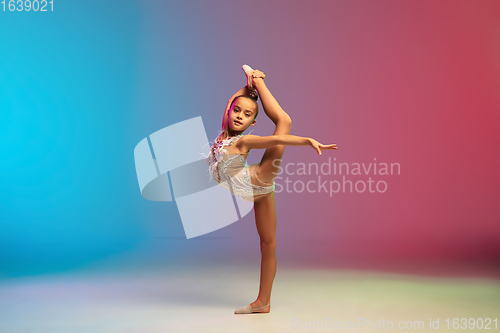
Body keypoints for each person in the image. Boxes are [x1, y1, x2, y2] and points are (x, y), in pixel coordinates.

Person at [207, 65, 337, 314]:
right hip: (255, 192)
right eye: (236, 111)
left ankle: (263, 301)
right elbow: (231, 101)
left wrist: (308, 141)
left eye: (246, 115)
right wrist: (250, 85)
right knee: (268, 244)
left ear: (252, 122)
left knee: (284, 122)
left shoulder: (244, 140)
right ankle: (263, 302)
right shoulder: (225, 130)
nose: (238, 116)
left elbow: (278, 139)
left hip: (259, 181)